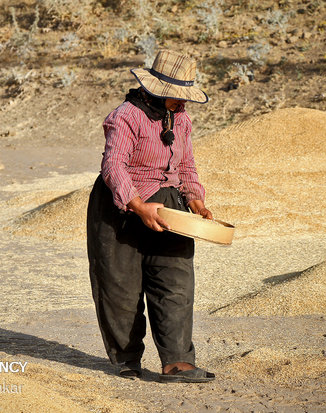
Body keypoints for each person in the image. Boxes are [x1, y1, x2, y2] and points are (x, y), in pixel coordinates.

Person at [86, 49, 215, 383]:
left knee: (175, 282)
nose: (183, 103)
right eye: (177, 97)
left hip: (170, 206)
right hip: (122, 209)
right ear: (155, 89)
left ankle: (177, 362)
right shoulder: (125, 116)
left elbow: (186, 164)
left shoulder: (182, 119)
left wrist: (197, 201)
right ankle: (127, 359)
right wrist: (139, 206)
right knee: (120, 286)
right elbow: (113, 165)